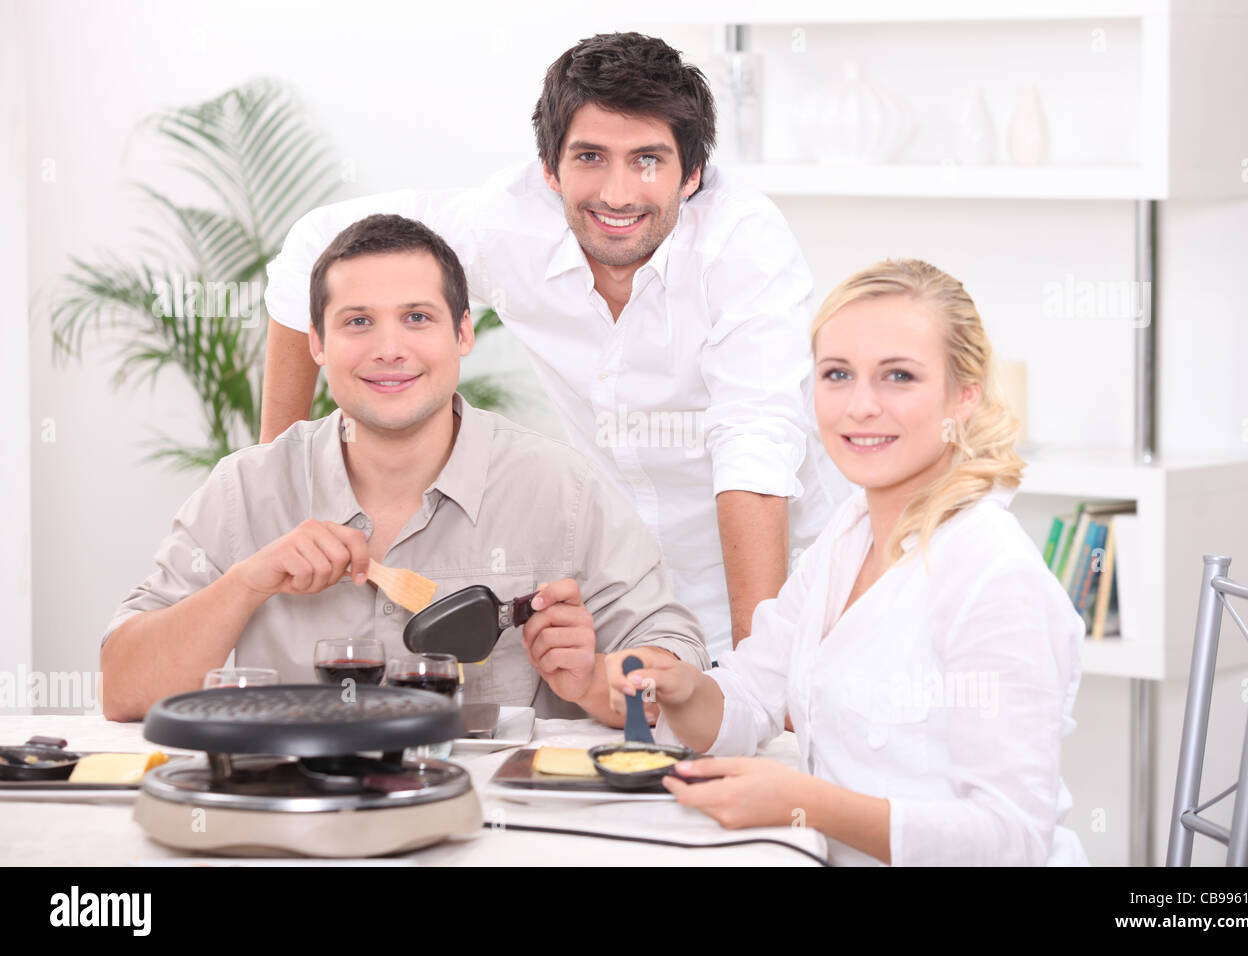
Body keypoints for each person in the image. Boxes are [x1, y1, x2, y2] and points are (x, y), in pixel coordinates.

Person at [259, 32, 850, 661]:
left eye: (647, 159)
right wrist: (281, 487)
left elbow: (753, 450)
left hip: (781, 588)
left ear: (692, 174)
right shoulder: (506, 228)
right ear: (550, 168)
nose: (617, 194)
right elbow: (313, 246)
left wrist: (761, 671)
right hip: (626, 592)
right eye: (590, 156)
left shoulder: (743, 245)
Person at [99, 214, 710, 723]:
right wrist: (246, 582)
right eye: (357, 321)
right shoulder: (245, 489)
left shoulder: (558, 488)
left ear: (463, 332)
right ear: (316, 343)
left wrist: (597, 684)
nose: (389, 348)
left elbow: (680, 673)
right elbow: (123, 690)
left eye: (417, 317)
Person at [602, 259, 1090, 866]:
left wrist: (806, 803)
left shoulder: (993, 574)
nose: (860, 406)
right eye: (838, 374)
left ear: (964, 395)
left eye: (898, 377)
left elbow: (1010, 839)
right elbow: (752, 696)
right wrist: (680, 687)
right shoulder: (851, 532)